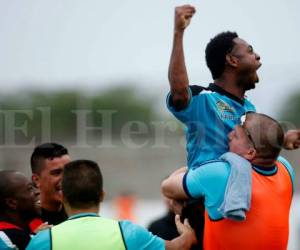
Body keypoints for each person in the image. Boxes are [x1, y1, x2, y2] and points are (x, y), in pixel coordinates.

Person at [168, 5, 300, 169]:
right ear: (232, 60)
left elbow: (254, 146)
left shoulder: (249, 107)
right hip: (208, 192)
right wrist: (178, 33)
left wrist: (282, 139)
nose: (258, 56)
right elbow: (180, 93)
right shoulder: (203, 98)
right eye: (250, 51)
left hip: (238, 193)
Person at [161, 113, 295, 250]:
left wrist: (194, 170)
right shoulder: (285, 169)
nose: (228, 136)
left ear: (250, 152)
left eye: (235, 135)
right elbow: (269, 147)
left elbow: (167, 187)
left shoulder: (221, 174)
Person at [27, 160, 197, 250]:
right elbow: (181, 246)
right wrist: (187, 231)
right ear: (102, 195)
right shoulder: (129, 232)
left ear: (62, 197)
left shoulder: (44, 240)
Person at [0, 171, 42, 250]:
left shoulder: (37, 225)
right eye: (30, 189)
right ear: (11, 203)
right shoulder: (4, 238)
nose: (38, 191)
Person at [30, 142, 70, 225]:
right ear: (36, 180)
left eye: (69, 171)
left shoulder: (79, 216)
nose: (66, 178)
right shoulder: (26, 223)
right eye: (56, 173)